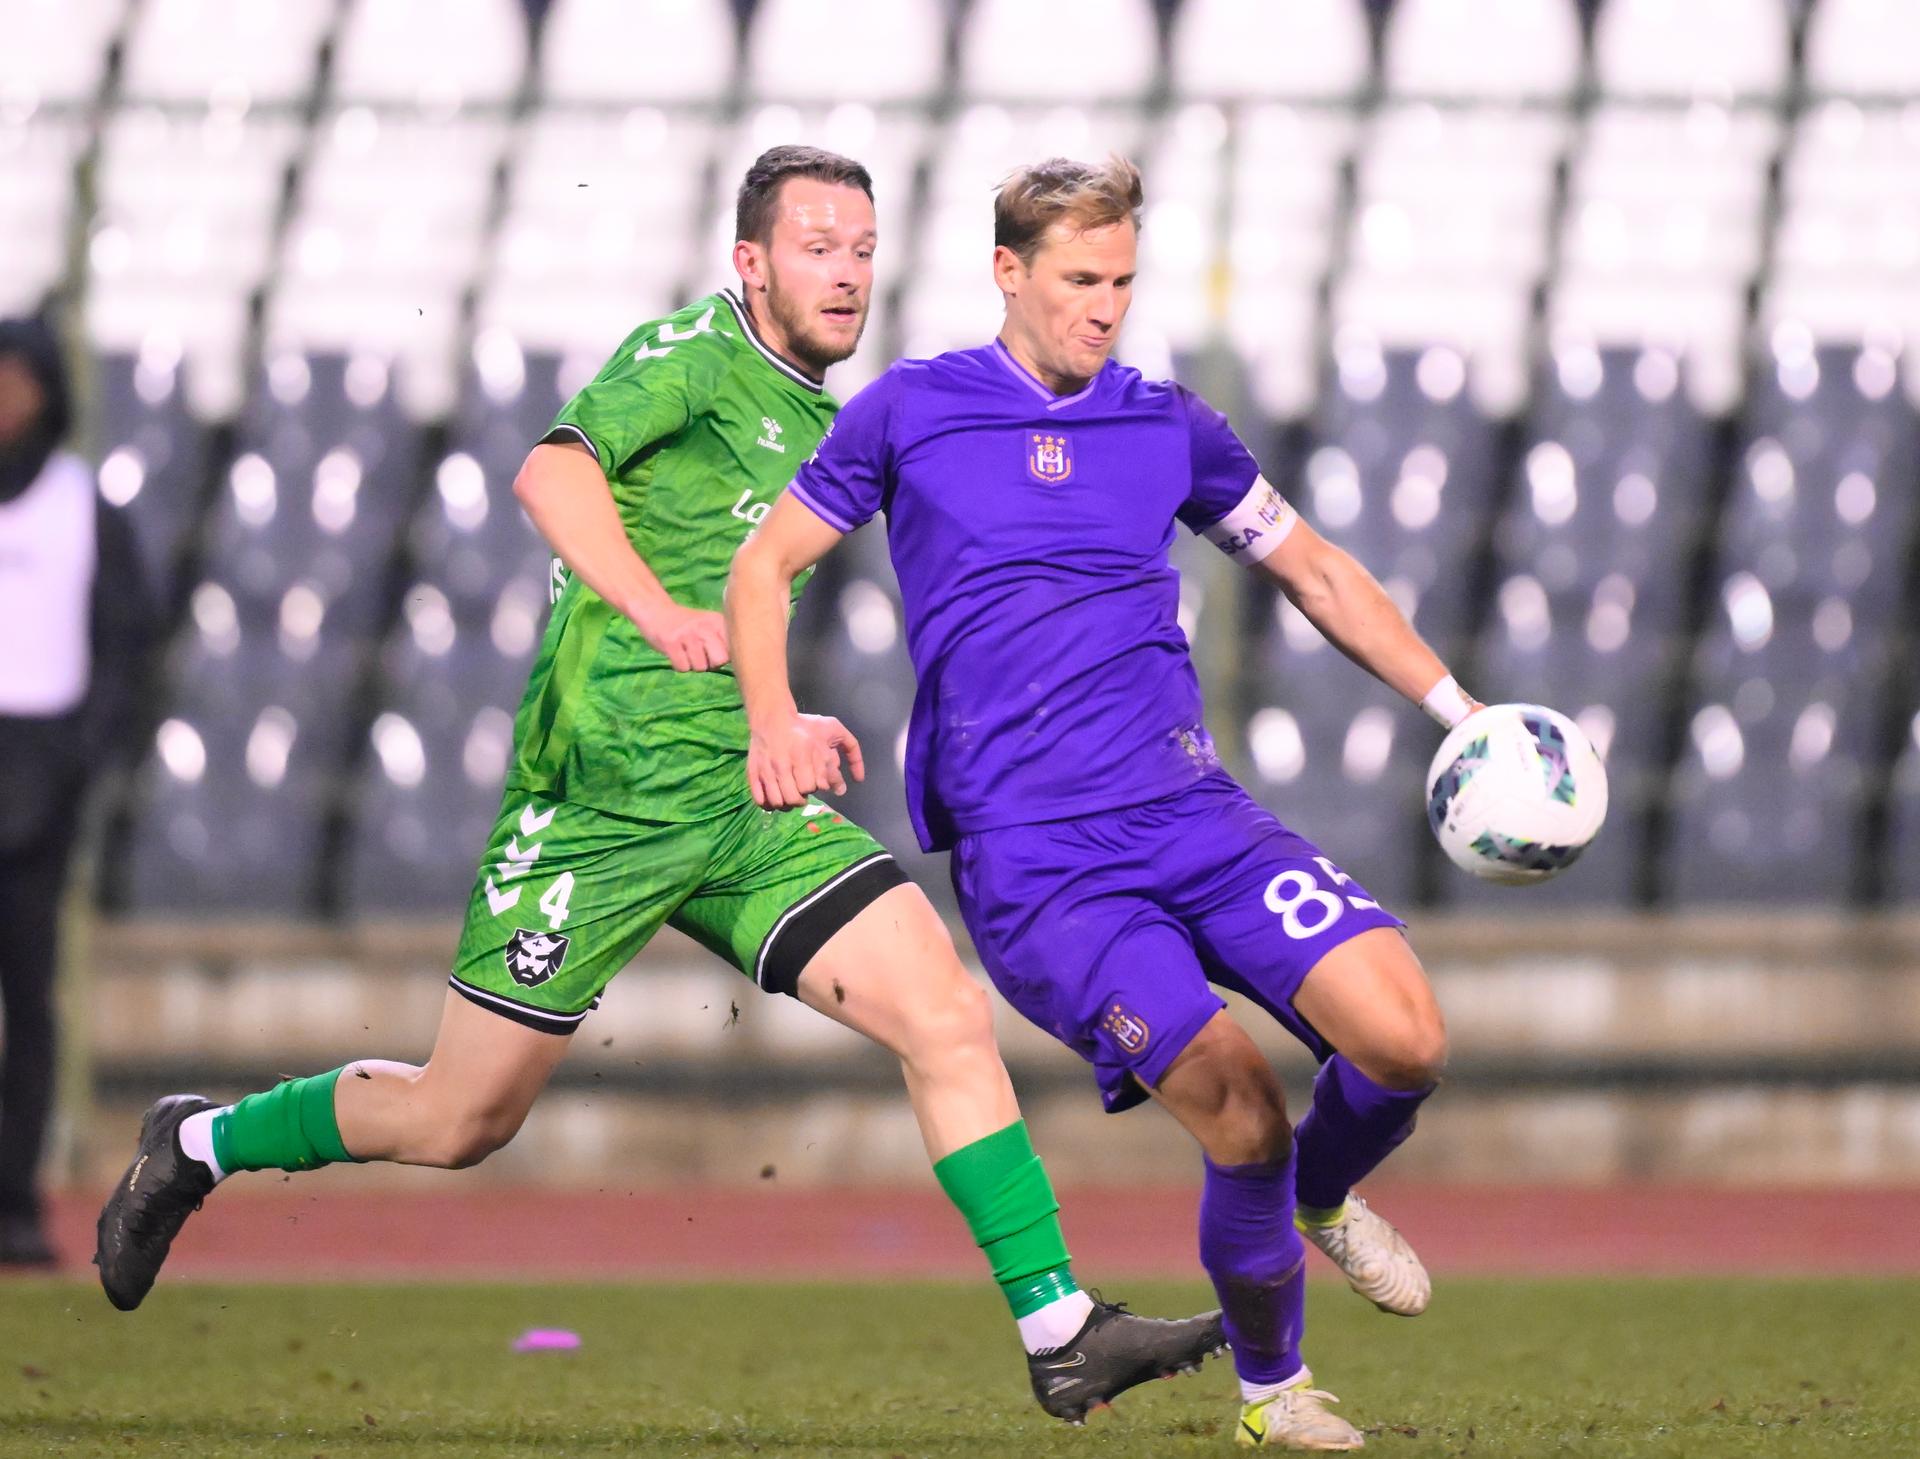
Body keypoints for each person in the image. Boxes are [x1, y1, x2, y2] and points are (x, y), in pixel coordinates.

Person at [94, 147, 1222, 1421]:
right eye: (816, 247)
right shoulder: (691, 352)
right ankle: (195, 1141)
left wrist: (784, 704)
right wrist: (656, 609)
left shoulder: (850, 413)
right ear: (751, 262)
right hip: (602, 801)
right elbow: (550, 471)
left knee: (946, 1014)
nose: (847, 273)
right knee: (461, 1119)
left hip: (747, 795)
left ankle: (1059, 1328)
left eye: (861, 248)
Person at [729, 156, 1478, 1451]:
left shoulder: (1167, 422)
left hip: (1192, 810)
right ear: (1008, 271)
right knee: (1237, 1098)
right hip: (1040, 868)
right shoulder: (911, 413)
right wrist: (769, 716)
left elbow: (1315, 570)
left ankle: (1324, 1192)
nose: (1106, 306)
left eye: (1123, 280)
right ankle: (1273, 1390)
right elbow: (763, 567)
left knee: (1407, 1038)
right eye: (1081, 279)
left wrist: (1463, 711)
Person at [0, 315, 153, 1266]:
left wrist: (77, 764)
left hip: (37, 776)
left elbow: (128, 648)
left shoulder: (82, 504)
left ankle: (14, 1201)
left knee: (28, 1001)